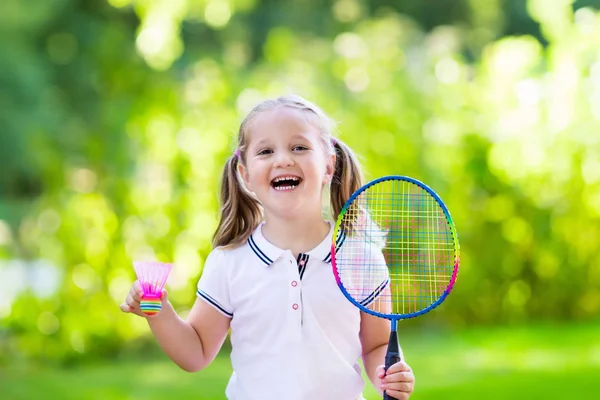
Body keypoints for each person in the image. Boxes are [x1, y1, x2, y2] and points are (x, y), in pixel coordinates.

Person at [120, 95, 415, 400]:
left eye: (299, 147)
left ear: (329, 166)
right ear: (245, 175)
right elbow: (196, 352)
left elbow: (377, 345)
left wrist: (390, 376)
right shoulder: (229, 263)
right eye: (265, 151)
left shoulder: (361, 258)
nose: (283, 159)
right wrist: (160, 313)